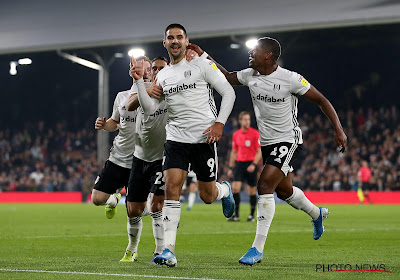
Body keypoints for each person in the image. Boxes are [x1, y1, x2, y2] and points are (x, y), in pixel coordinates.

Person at [188, 37, 347, 265]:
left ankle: (257, 249)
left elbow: (321, 100)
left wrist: (338, 129)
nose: (250, 53)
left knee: (263, 185)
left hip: (288, 140)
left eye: (255, 50)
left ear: (268, 56)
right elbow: (227, 76)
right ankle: (316, 213)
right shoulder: (250, 75)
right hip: (267, 143)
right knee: (284, 192)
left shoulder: (290, 79)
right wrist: (203, 55)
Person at [131, 23, 236, 267]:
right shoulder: (163, 76)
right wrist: (139, 82)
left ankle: (225, 191)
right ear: (165, 43)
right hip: (176, 139)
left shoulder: (200, 63)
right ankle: (168, 250)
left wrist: (220, 123)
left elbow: (228, 92)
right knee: (171, 188)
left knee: (207, 196)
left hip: (204, 139)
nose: (175, 41)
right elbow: (149, 109)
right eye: (171, 38)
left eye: (179, 37)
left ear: (187, 41)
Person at [120, 56, 169, 263]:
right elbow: (129, 105)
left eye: (160, 68)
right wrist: (144, 89)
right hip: (139, 158)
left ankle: (160, 250)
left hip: (162, 158)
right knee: (133, 210)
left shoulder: (174, 91)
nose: (156, 71)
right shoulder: (143, 88)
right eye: (154, 68)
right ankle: (132, 248)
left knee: (157, 206)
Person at [92, 56, 151, 219]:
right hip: (118, 157)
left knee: (136, 211)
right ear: (131, 72)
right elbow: (115, 122)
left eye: (147, 69)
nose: (144, 73)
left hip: (141, 161)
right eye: (140, 69)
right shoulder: (122, 97)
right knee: (97, 199)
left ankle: (160, 211)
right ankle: (113, 200)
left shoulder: (156, 95)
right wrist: (104, 125)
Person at [227, 111, 261, 222]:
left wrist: (254, 164)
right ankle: (236, 215)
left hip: (251, 163)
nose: (247, 121)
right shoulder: (236, 134)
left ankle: (251, 215)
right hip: (239, 164)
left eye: (249, 119)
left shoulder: (255, 133)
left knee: (251, 191)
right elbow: (234, 151)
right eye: (245, 119)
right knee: (235, 188)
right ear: (240, 121)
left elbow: (259, 151)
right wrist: (231, 167)